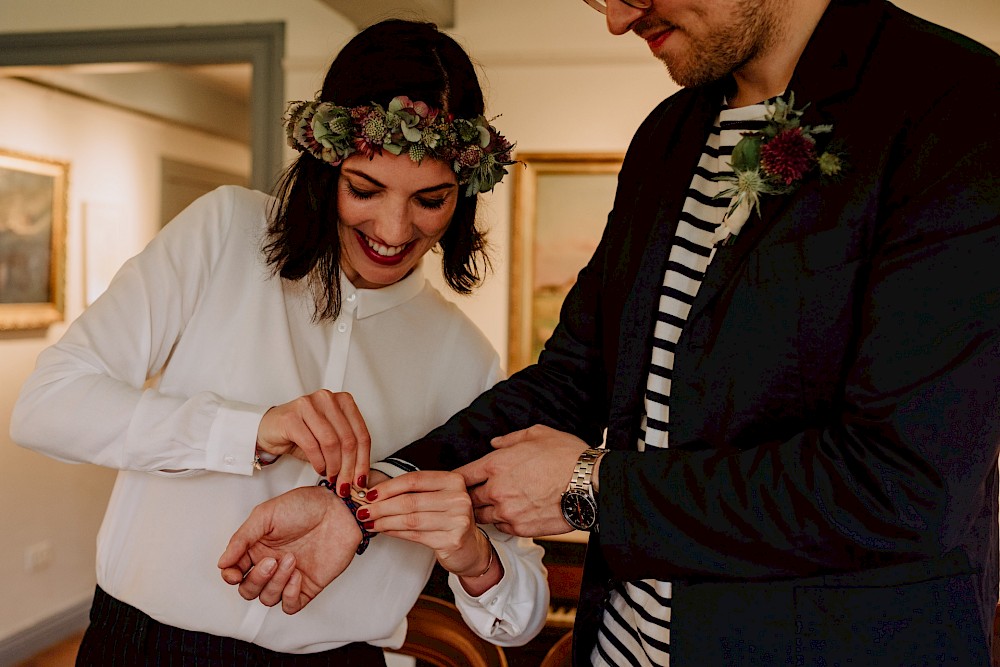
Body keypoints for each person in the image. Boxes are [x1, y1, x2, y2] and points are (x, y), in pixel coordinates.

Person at [222, 0, 1000, 665]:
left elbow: (901, 486)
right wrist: (364, 498)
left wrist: (598, 488)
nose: (621, 19)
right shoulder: (669, 134)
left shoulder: (956, 106)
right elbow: (573, 374)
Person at [10, 18, 549, 665]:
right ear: (326, 167)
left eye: (430, 199)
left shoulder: (467, 357)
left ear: (462, 195)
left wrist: (474, 555)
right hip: (142, 645)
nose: (393, 228)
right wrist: (250, 430)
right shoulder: (224, 234)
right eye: (365, 188)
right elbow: (46, 405)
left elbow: (520, 616)